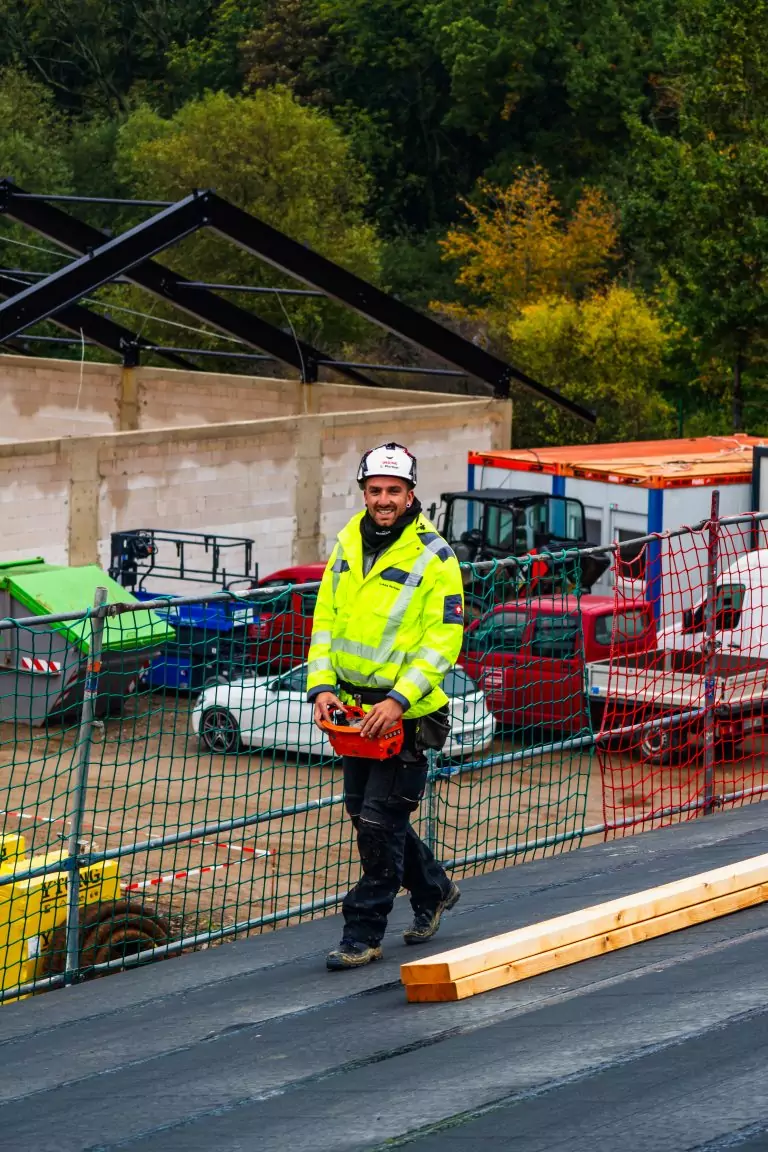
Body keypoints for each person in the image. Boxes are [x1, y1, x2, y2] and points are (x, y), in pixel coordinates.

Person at [307, 442, 465, 970]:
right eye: (375, 490)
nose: (383, 500)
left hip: (407, 715)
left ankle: (362, 934)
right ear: (364, 492)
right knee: (366, 814)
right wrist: (320, 686)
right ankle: (434, 887)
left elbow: (442, 641)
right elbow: (326, 617)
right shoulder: (349, 541)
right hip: (353, 711)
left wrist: (400, 700)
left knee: (378, 822)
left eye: (393, 491)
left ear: (410, 494)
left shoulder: (436, 557)